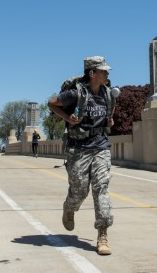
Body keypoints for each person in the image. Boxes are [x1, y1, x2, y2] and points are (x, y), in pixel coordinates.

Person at [48, 56, 115, 256]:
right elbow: (52, 103)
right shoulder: (75, 93)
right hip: (78, 148)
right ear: (92, 73)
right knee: (79, 191)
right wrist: (68, 118)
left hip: (101, 146)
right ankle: (69, 208)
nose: (107, 73)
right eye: (103, 71)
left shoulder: (108, 93)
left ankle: (102, 234)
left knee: (101, 188)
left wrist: (109, 120)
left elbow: (111, 109)